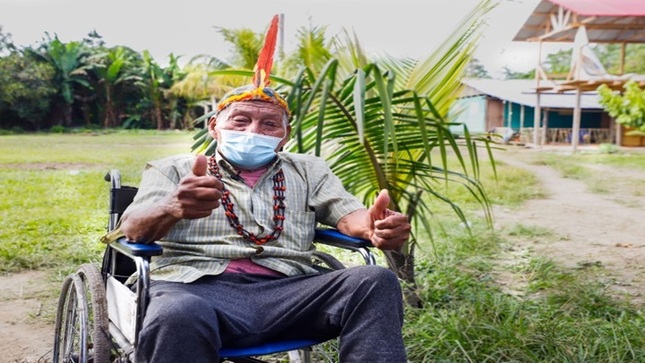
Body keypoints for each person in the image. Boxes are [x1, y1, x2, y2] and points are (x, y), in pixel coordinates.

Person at [109, 15, 411, 363]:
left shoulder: (309, 170)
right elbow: (132, 228)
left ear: (285, 136)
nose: (253, 130)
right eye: (240, 120)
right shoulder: (172, 169)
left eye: (269, 123)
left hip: (289, 290)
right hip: (193, 288)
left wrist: (373, 226)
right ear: (214, 127)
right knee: (177, 314)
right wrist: (172, 207)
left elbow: (348, 216)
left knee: (375, 280)